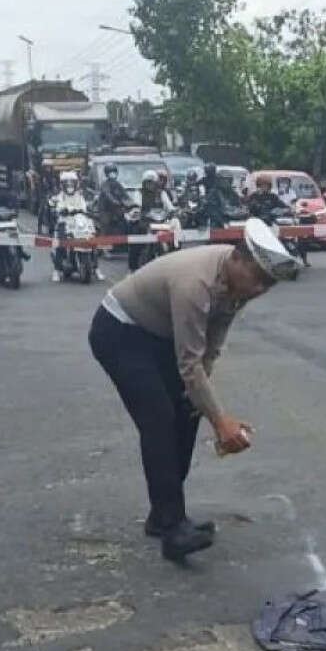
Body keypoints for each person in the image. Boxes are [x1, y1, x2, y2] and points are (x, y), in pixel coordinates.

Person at [89, 220, 300, 561]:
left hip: (159, 336)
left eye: (268, 284)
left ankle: (164, 514)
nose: (260, 289)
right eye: (258, 278)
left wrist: (203, 403)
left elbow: (210, 349)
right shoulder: (195, 284)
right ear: (237, 259)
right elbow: (189, 363)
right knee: (158, 418)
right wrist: (220, 421)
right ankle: (173, 529)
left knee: (186, 410)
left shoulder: (238, 286)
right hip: (120, 333)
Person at [50, 170, 98, 283]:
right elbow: (54, 205)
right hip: (64, 222)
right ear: (62, 184)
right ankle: (56, 270)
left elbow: (85, 207)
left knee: (93, 240)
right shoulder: (59, 196)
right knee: (61, 244)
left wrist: (89, 210)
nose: (70, 185)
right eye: (67, 183)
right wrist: (58, 209)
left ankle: (96, 268)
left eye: (72, 183)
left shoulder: (80, 196)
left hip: (80, 222)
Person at [99, 162, 131, 235]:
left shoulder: (117, 184)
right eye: (110, 173)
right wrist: (116, 202)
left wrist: (131, 203)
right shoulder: (105, 185)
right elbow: (108, 195)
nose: (112, 174)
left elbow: (125, 195)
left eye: (114, 172)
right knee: (106, 223)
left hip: (117, 210)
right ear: (107, 174)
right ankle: (104, 241)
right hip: (106, 210)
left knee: (127, 222)